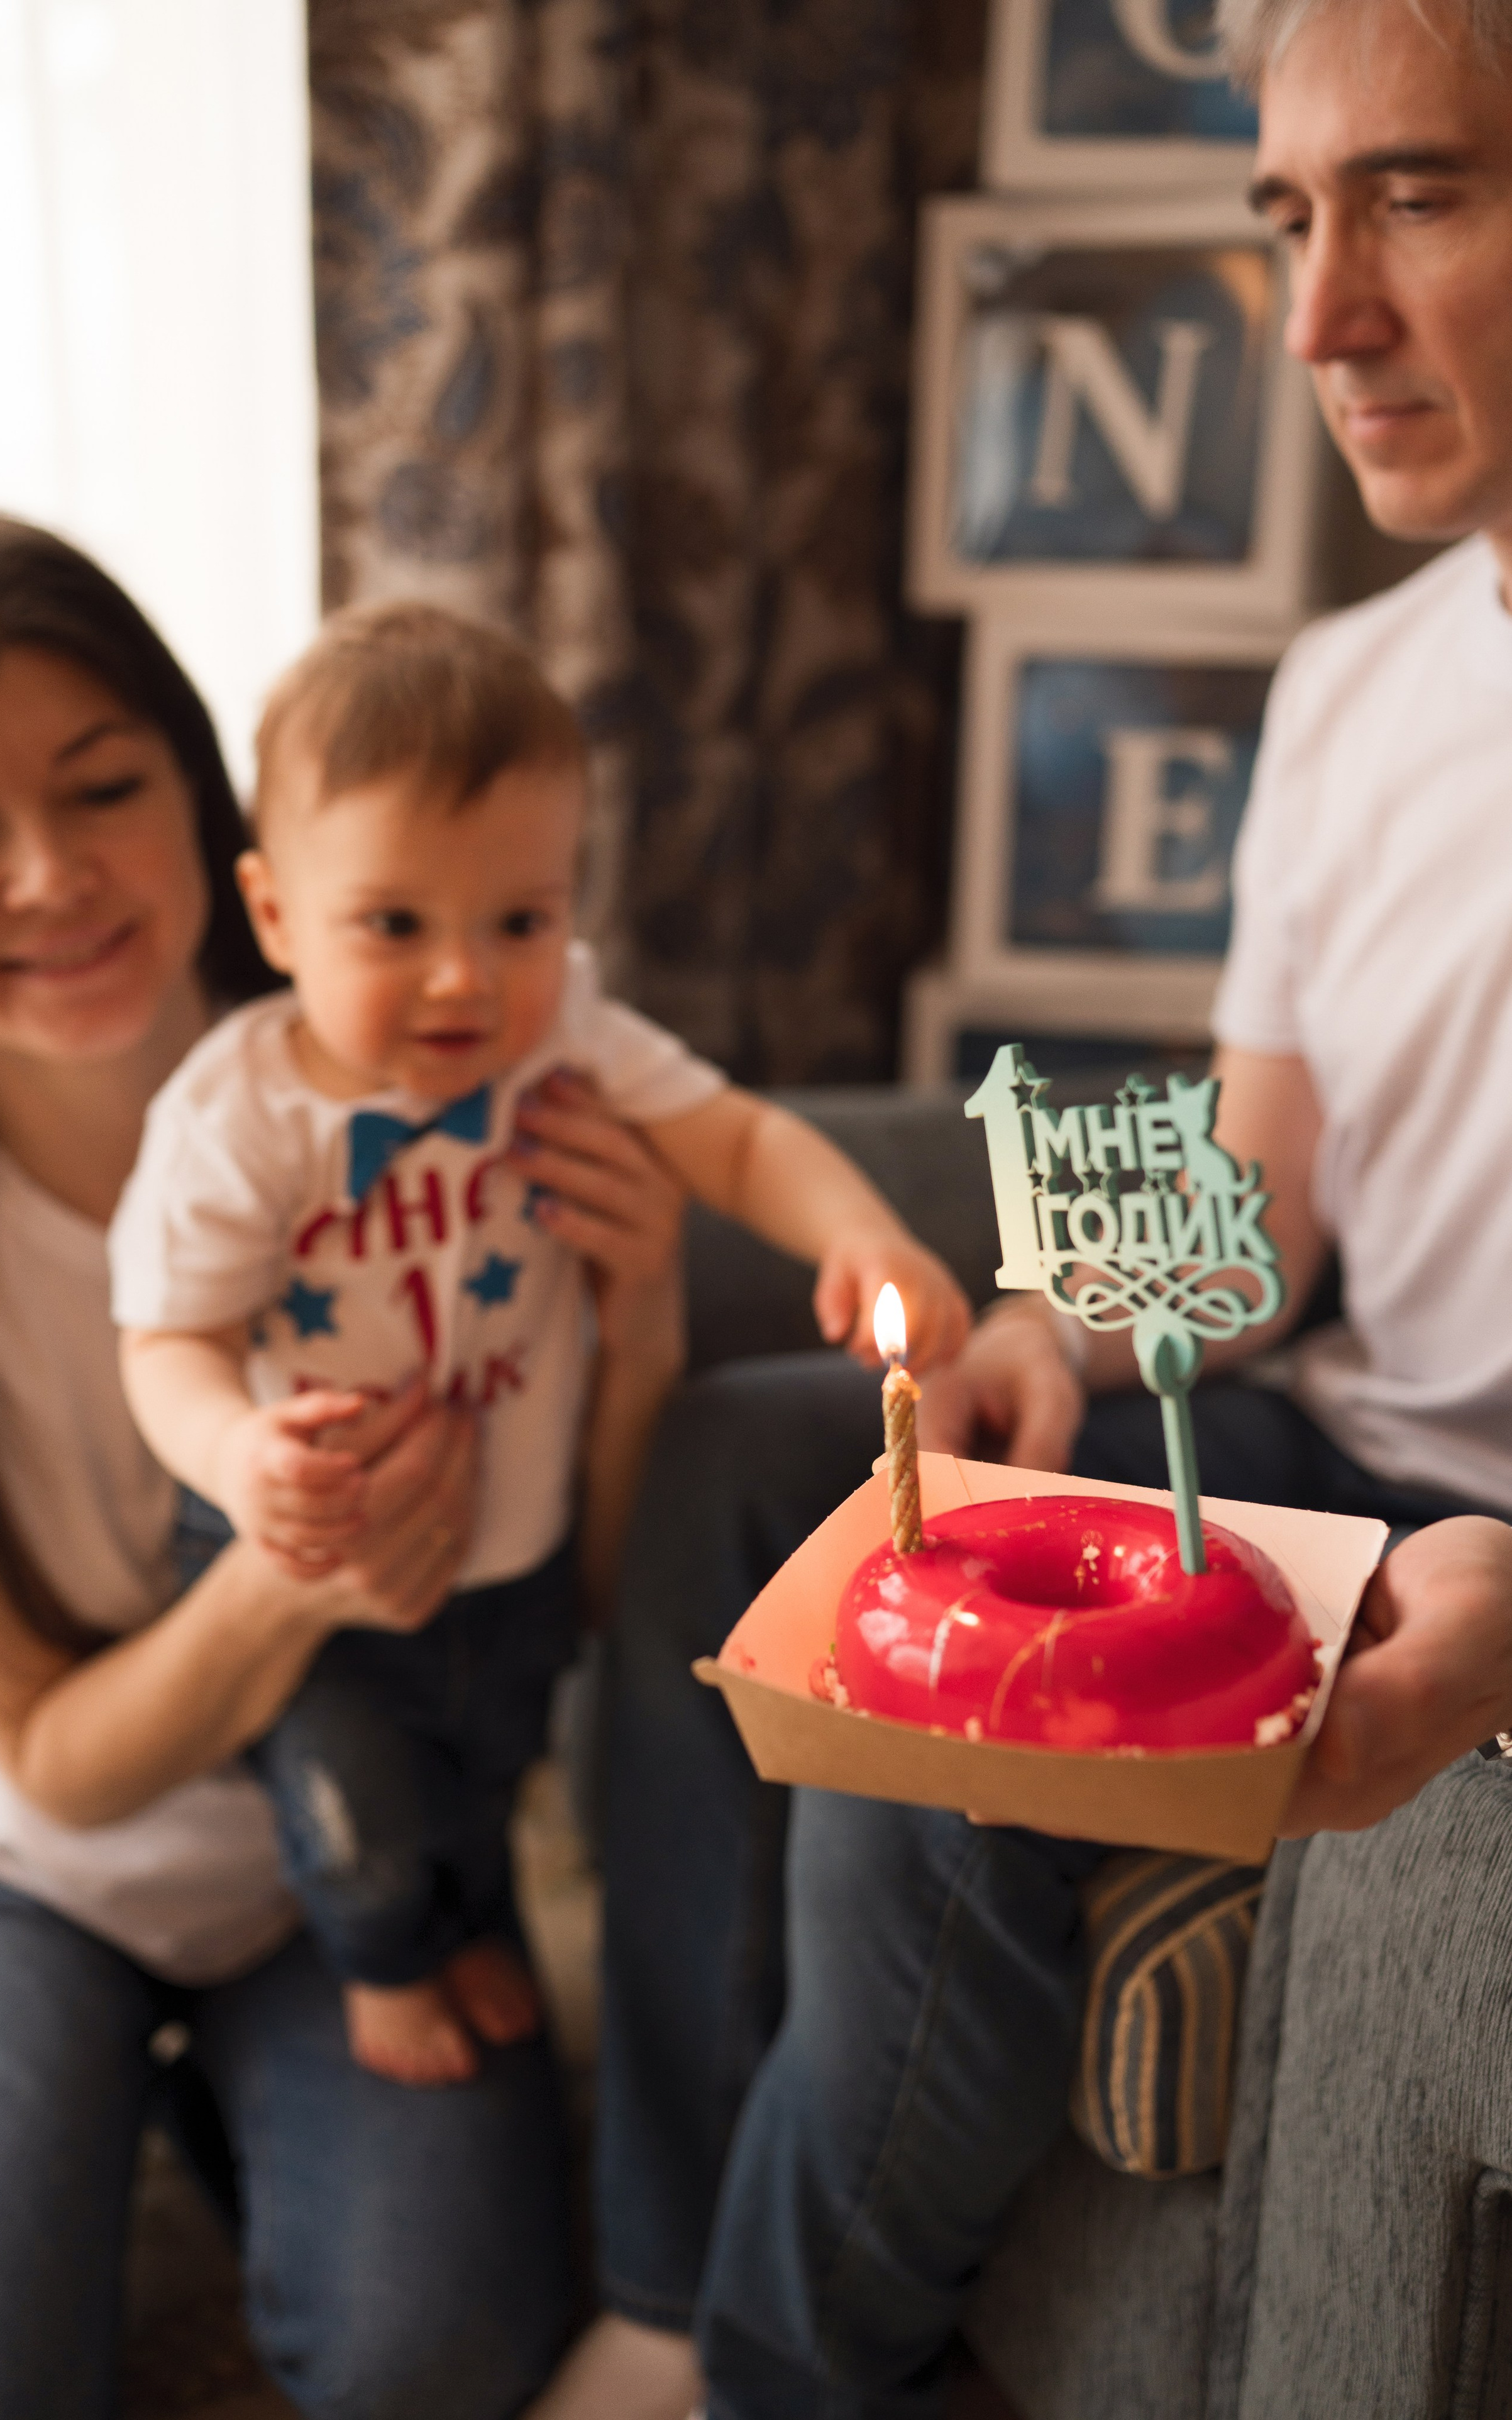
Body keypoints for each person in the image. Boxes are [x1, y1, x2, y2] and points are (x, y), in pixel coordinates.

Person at [531, 0, 1512, 2412]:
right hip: (1328, 1428)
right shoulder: (1359, 685)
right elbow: (1262, 1208)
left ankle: (772, 2368)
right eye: (1293, 215)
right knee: (761, 1464)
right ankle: (662, 2287)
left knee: (937, 1710)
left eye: (1421, 194)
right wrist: (1062, 1332)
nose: (1316, 320)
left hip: (1478, 1532)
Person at [0, 511, 685, 2420]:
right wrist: (287, 1565)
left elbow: (578, 1605)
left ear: (230, 840)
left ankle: (255, 2093)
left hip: (382, 1842)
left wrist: (645, 1312)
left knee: (440, 2353)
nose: (52, 876)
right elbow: (65, 1770)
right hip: (22, 1872)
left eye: (108, 789)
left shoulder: (434, 1066)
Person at [108, 597, 971, 2089]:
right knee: (357, 1804)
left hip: (511, 1546)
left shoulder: (561, 1033)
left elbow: (744, 1140)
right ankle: (383, 1961)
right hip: (315, 1553)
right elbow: (164, 1341)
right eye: (395, 926)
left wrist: (862, 1235)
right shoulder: (237, 1119)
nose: (467, 978)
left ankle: (466, 1913)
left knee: (488, 1761)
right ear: (272, 917)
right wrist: (235, 1454)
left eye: (520, 919)